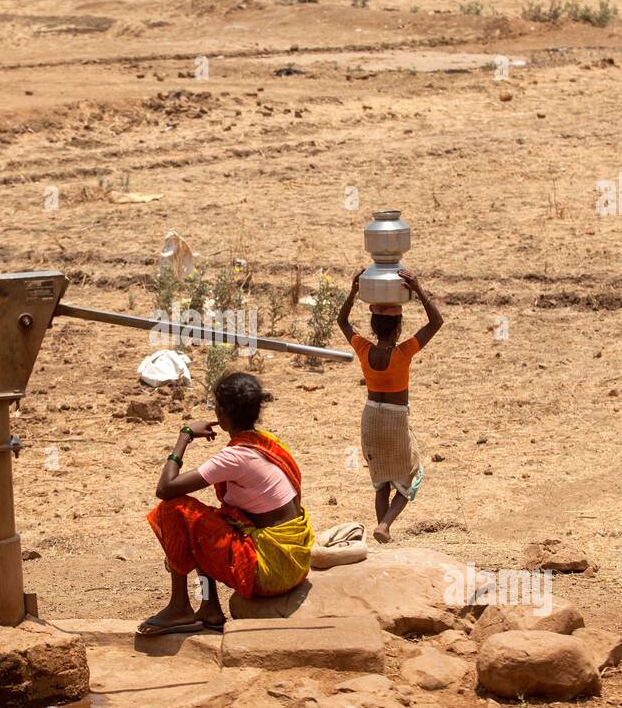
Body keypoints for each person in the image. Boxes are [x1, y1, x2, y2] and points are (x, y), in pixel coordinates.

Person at [139, 372, 314, 636]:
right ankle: (209, 608)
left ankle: (180, 607)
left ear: (221, 414)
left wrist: (185, 435)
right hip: (294, 561)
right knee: (207, 521)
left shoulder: (235, 456)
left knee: (175, 510)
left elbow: (165, 489)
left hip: (270, 570)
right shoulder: (267, 443)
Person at [337, 268, 443, 542]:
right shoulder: (404, 352)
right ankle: (385, 525)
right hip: (395, 421)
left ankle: (382, 532)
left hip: (370, 418)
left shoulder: (363, 348)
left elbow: (342, 322)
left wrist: (352, 292)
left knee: (381, 483)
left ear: (373, 327)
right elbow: (436, 322)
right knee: (411, 476)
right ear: (398, 329)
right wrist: (419, 290)